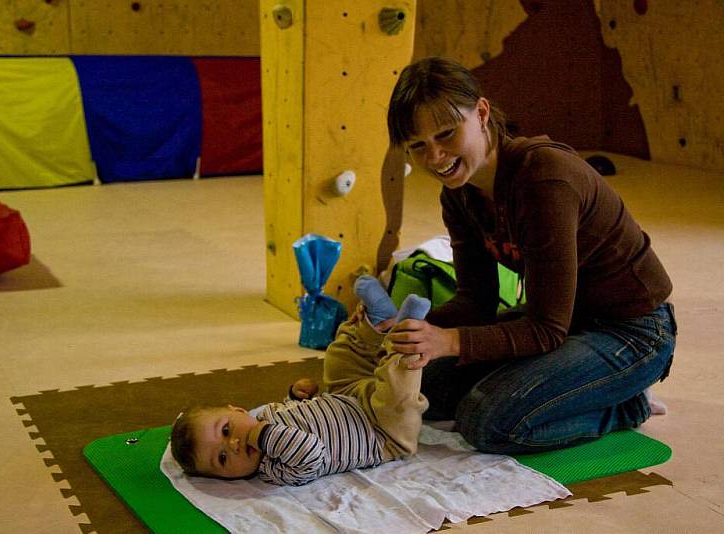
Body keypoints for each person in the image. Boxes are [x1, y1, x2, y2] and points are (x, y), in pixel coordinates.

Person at [383, 56, 677, 455]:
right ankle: (580, 387)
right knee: (428, 385)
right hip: (568, 322)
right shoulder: (459, 193)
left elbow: (545, 329)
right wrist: (411, 327)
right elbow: (476, 301)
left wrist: (449, 340)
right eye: (418, 146)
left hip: (632, 332)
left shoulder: (545, 178)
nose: (435, 157)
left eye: (447, 134)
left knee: (486, 421)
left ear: (482, 113)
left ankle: (626, 405)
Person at [169, 279, 430, 486]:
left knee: (337, 360)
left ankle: (377, 323)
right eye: (223, 458)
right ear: (226, 478)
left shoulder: (265, 414)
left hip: (350, 399)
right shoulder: (276, 470)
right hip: (385, 433)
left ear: (237, 410)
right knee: (399, 394)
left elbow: (290, 411)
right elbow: (311, 451)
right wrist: (260, 434)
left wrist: (296, 396)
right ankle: (405, 335)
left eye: (226, 431)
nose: (234, 444)